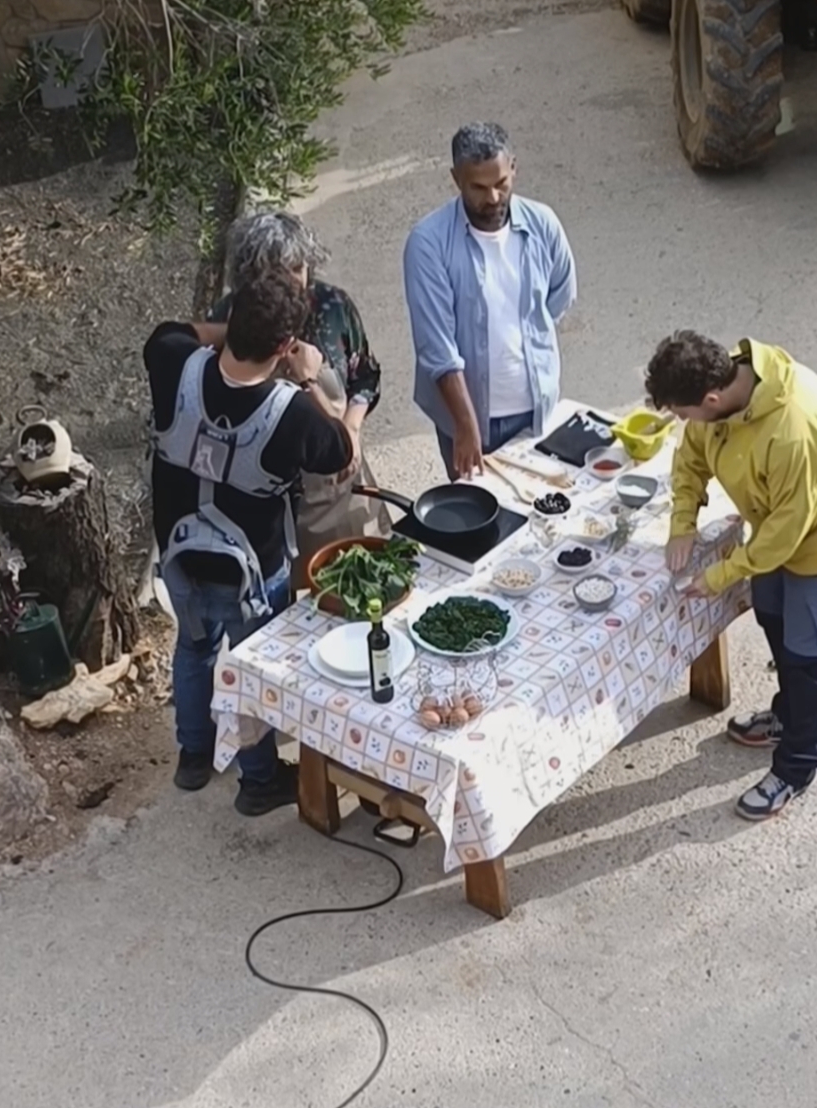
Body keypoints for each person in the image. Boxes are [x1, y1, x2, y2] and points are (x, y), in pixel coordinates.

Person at [645, 332, 817, 821]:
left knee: (810, 652)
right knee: (771, 611)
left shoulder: (794, 429)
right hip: (775, 528)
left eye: (685, 413)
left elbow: (784, 536)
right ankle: (788, 715)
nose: (686, 423)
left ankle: (797, 765)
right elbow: (690, 457)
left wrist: (719, 575)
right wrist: (682, 524)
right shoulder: (725, 393)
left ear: (711, 399)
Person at [146, 274, 355, 815]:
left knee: (193, 647)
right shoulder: (294, 412)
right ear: (285, 348)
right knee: (252, 667)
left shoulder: (174, 364)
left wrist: (232, 331)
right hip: (254, 573)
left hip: (179, 553)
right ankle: (257, 779)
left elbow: (173, 331)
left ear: (229, 325)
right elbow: (342, 453)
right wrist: (309, 380)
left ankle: (193, 757)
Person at [209, 211, 390, 575]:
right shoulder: (228, 320)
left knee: (361, 579)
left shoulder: (333, 307)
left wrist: (352, 427)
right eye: (278, 273)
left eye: (299, 268)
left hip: (340, 490)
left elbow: (365, 377)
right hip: (270, 499)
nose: (294, 282)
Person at [403, 122, 577, 480]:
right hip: (467, 420)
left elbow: (560, 295)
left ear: (513, 166)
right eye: (478, 188)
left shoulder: (543, 224)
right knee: (483, 525)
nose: (493, 198)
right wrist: (467, 427)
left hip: (536, 411)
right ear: (456, 179)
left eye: (501, 183)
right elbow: (437, 347)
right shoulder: (428, 244)